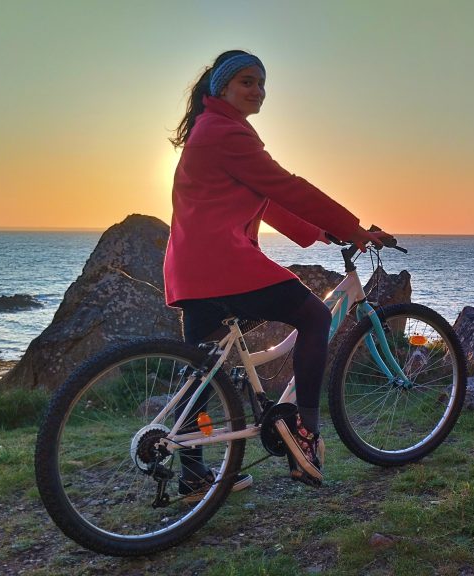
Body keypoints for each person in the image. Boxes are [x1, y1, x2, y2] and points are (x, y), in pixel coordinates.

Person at [164, 50, 388, 495]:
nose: (258, 90)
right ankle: (305, 434)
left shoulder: (210, 130)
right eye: (247, 81)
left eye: (262, 83)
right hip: (222, 266)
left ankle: (192, 474)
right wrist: (354, 229)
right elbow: (288, 187)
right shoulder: (227, 132)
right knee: (315, 317)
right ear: (222, 87)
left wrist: (324, 232)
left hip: (191, 271)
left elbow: (268, 200)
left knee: (202, 372)